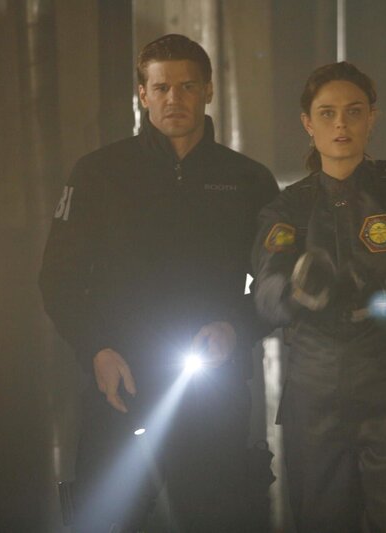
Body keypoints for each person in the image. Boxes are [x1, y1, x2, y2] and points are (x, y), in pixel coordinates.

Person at [39, 34, 278, 532]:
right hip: (120, 387)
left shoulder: (248, 180)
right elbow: (59, 279)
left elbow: (274, 283)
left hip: (214, 387)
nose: (175, 98)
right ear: (142, 94)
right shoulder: (98, 175)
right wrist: (96, 349)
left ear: (208, 90)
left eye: (187, 86)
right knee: (107, 519)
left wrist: (236, 328)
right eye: (162, 87)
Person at [251, 62, 386, 532]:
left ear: (371, 118)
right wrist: (300, 291)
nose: (341, 123)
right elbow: (264, 294)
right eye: (327, 113)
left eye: (353, 111)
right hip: (315, 395)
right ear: (308, 123)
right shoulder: (288, 208)